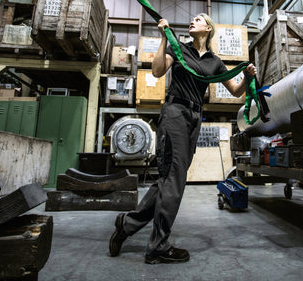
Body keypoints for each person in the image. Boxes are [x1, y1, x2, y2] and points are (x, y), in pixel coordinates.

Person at [109, 13, 256, 264]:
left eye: (198, 19)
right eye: (192, 19)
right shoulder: (179, 49)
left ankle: (128, 223)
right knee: (175, 178)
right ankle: (158, 245)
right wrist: (164, 39)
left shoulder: (214, 62)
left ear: (208, 28)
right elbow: (156, 71)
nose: (192, 21)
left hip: (195, 117)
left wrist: (248, 77)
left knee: (169, 179)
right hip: (175, 112)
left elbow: (235, 91)